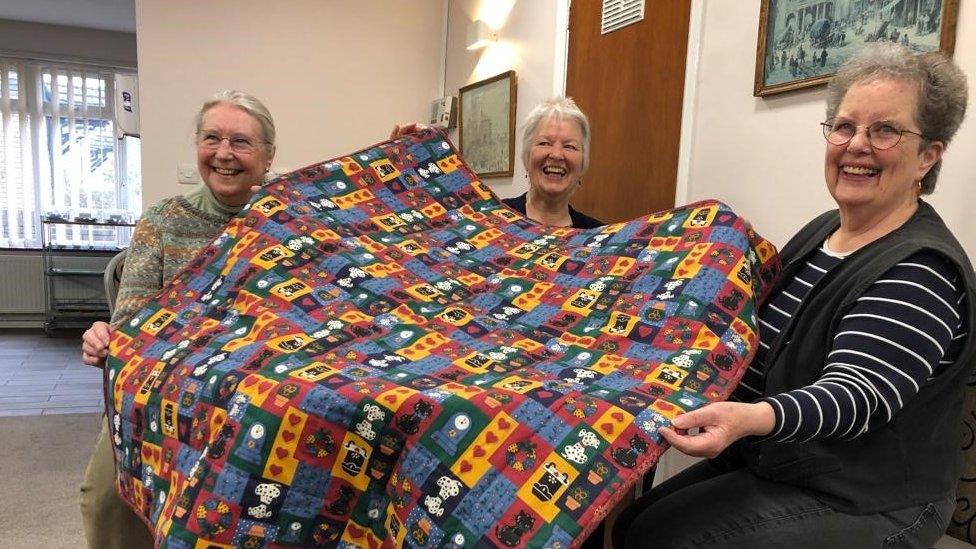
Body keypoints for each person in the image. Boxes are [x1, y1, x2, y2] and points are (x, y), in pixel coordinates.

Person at [614, 42, 974, 548]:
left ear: (927, 157)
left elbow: (856, 394)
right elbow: (746, 324)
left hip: (871, 496)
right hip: (793, 463)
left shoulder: (920, 269)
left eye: (885, 130)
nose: (857, 145)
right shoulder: (823, 232)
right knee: (633, 522)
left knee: (664, 538)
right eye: (845, 126)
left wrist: (748, 419)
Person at [78, 90, 276, 549]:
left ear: (268, 156)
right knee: (105, 500)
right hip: (164, 389)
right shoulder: (165, 221)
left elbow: (372, 253)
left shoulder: (293, 220)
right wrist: (106, 337)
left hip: (261, 393)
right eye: (212, 138)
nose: (224, 153)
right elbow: (130, 319)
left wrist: (402, 169)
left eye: (241, 142)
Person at [503, 97, 602, 229]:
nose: (556, 154)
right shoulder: (491, 219)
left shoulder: (599, 237)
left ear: (582, 164)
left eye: (569, 146)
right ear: (527, 157)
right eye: (544, 143)